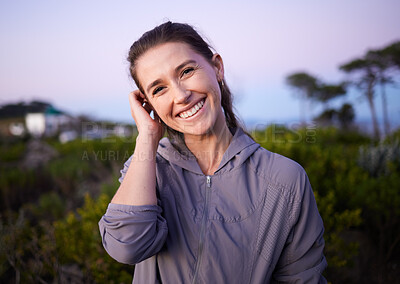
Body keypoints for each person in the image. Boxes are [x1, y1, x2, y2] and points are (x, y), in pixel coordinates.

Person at [99, 21, 327, 283]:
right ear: (148, 104)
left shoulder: (285, 180)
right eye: (159, 89)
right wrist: (147, 137)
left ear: (217, 67)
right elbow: (126, 247)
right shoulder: (148, 168)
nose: (181, 95)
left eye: (186, 71)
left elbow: (303, 279)